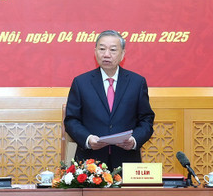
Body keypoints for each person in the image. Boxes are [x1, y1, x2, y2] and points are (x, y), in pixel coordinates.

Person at [64, 30, 155, 171]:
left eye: (113, 50)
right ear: (95, 52)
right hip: (90, 162)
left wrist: (134, 140)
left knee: (128, 194)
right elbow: (71, 120)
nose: (106, 54)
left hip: (126, 162)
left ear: (122, 54)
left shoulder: (137, 82)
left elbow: (146, 119)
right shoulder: (81, 82)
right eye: (102, 49)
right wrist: (88, 139)